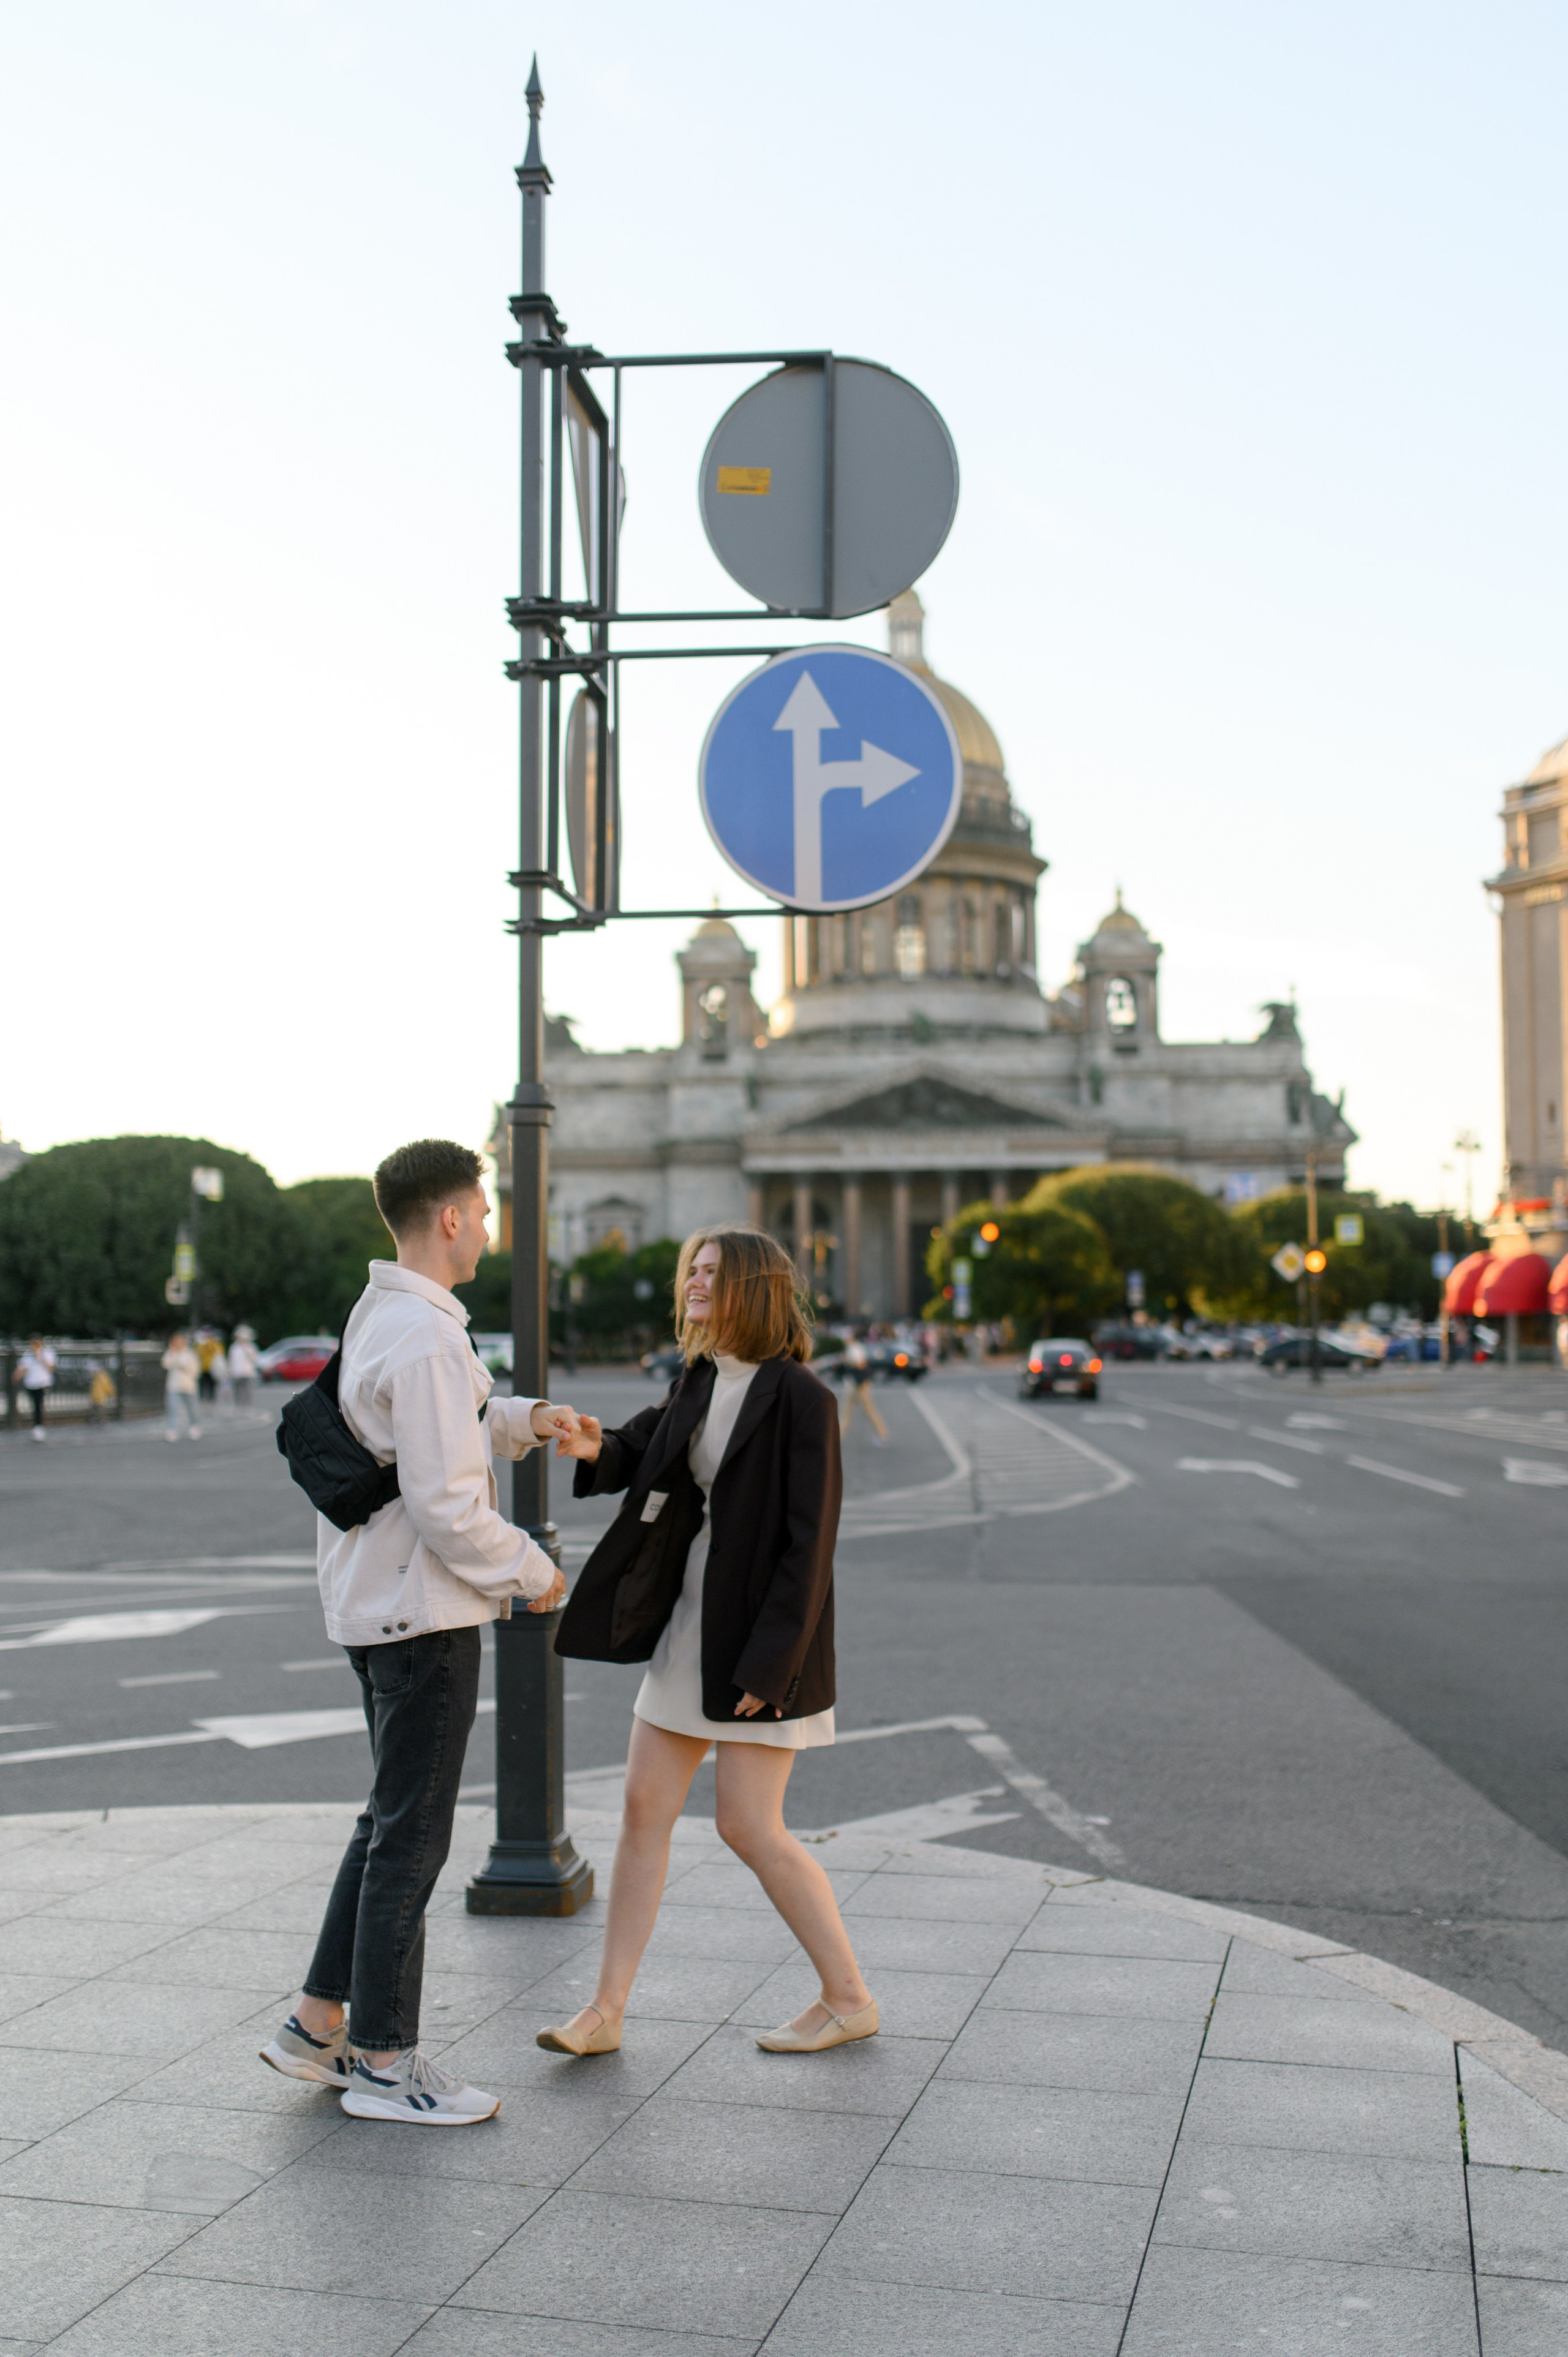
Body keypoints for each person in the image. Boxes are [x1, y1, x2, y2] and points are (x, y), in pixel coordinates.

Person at [258, 1137, 582, 2128]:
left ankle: (317, 2024)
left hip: (374, 1602)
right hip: (422, 1613)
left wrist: (525, 1419)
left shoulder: (383, 1313)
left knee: (386, 1822)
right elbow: (446, 1503)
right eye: (481, 1212)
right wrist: (534, 1572)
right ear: (449, 1217)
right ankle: (386, 2063)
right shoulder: (431, 1335)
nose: (487, 1226)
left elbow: (425, 1431)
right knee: (411, 1841)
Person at [543, 1223, 876, 2060]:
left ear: (753, 1289)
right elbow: (643, 1447)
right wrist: (593, 1445)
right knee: (642, 1808)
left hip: (760, 1640)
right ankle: (606, 2010)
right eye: (691, 1269)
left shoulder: (801, 1397)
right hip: (689, 1623)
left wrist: (771, 1666)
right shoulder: (698, 1376)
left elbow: (810, 1548)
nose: (693, 1281)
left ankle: (848, 1998)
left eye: (712, 1272)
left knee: (749, 1826)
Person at [838, 1329, 889, 1446]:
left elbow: (861, 1364)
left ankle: (882, 1434)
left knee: (867, 1410)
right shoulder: (855, 1348)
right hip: (854, 1384)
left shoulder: (854, 1348)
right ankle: (838, 1436)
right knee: (847, 1411)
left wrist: (849, 1363)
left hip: (859, 1385)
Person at [13, 1337, 56, 1442]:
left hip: (43, 1383)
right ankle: (37, 1427)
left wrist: (40, 1357)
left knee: (38, 1405)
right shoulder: (28, 1354)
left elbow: (51, 1368)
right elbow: (23, 1368)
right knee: (34, 1405)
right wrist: (16, 1376)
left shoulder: (47, 1353)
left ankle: (39, 1428)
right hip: (31, 1384)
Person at [161, 1333, 202, 1440]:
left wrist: (185, 1368)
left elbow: (196, 1370)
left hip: (188, 1386)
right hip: (174, 1386)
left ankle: (194, 1427)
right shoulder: (171, 1353)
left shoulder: (189, 1354)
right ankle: (172, 1430)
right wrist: (172, 1352)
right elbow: (165, 1364)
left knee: (192, 1409)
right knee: (173, 1409)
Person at [228, 1325, 259, 1408]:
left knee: (248, 1390)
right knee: (238, 1390)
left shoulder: (251, 1347)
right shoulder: (234, 1347)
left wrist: (246, 1350)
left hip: (248, 1372)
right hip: (237, 1372)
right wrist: (230, 1371)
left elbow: (254, 1359)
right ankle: (239, 1405)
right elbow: (231, 1360)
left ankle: (247, 1406)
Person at [86, 1360, 116, 1427]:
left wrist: (112, 1394)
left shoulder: (100, 1377)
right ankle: (99, 1421)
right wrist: (112, 1394)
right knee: (97, 1410)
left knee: (98, 1410)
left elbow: (107, 1387)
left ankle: (101, 1421)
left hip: (99, 1397)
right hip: (97, 1397)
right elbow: (107, 1387)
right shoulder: (98, 1377)